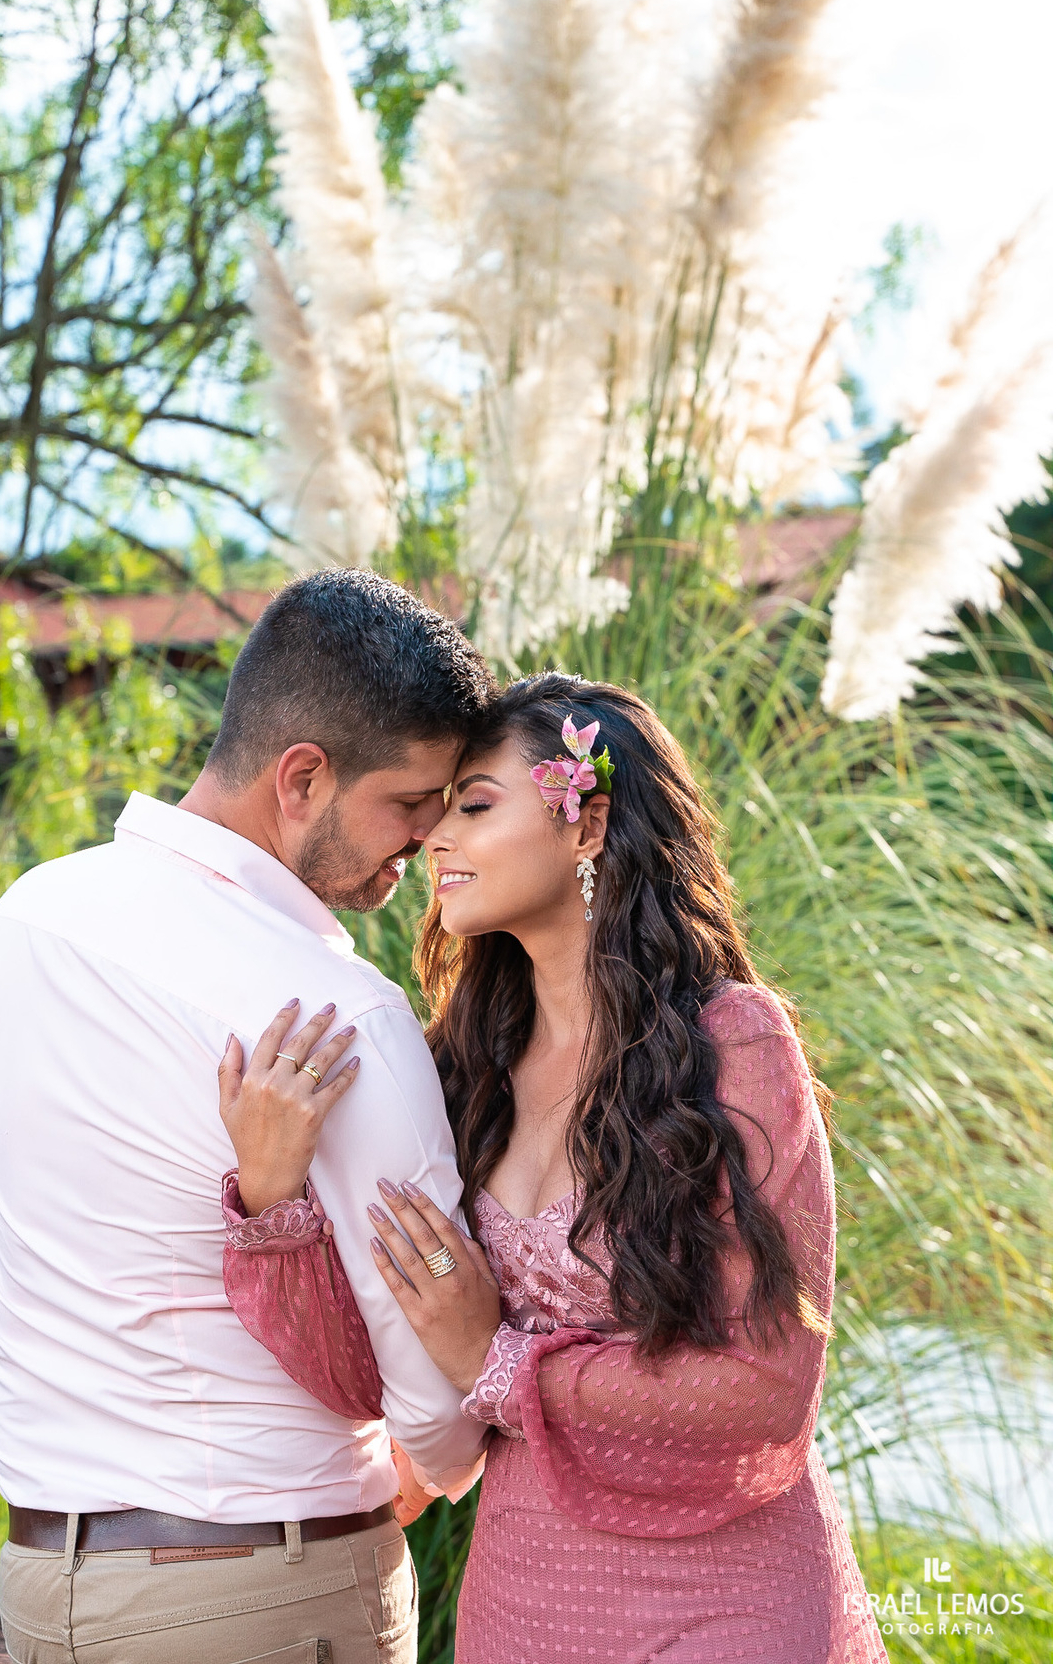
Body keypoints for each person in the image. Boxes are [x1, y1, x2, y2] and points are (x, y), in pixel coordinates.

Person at [219, 674, 889, 1664]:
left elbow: (767, 1384)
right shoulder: (454, 1067)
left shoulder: (734, 1043)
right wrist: (273, 1194)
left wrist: (495, 1359)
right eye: (436, 811)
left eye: (476, 806)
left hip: (727, 1596)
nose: (435, 838)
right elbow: (365, 1365)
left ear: (588, 825)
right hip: (524, 1597)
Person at [0, 570, 498, 1664]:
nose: (424, 846)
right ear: (302, 776)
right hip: (263, 1594)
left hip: (45, 1589)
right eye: (408, 803)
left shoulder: (13, 929)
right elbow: (436, 1391)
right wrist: (441, 1459)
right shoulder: (338, 1017)